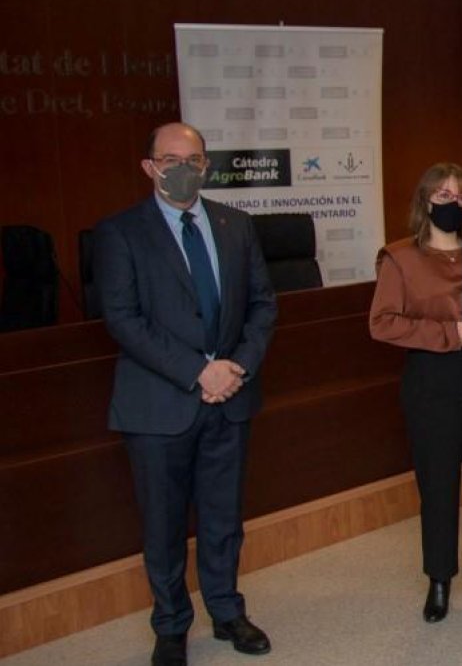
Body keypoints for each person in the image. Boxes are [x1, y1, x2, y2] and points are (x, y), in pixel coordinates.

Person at [93, 122, 277, 666]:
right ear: (149, 166)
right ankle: (171, 624)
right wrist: (199, 372)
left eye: (192, 159)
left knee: (224, 518)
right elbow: (123, 320)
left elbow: (264, 306)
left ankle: (226, 611)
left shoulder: (236, 225)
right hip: (159, 404)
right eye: (169, 158)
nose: (182, 168)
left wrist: (236, 366)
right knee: (165, 522)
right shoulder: (120, 232)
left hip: (231, 396)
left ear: (205, 165)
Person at [369, 162, 462, 622]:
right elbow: (383, 323)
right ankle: (439, 580)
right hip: (434, 378)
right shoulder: (399, 257)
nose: (454, 203)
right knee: (438, 483)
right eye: (444, 196)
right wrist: (449, 334)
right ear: (426, 200)